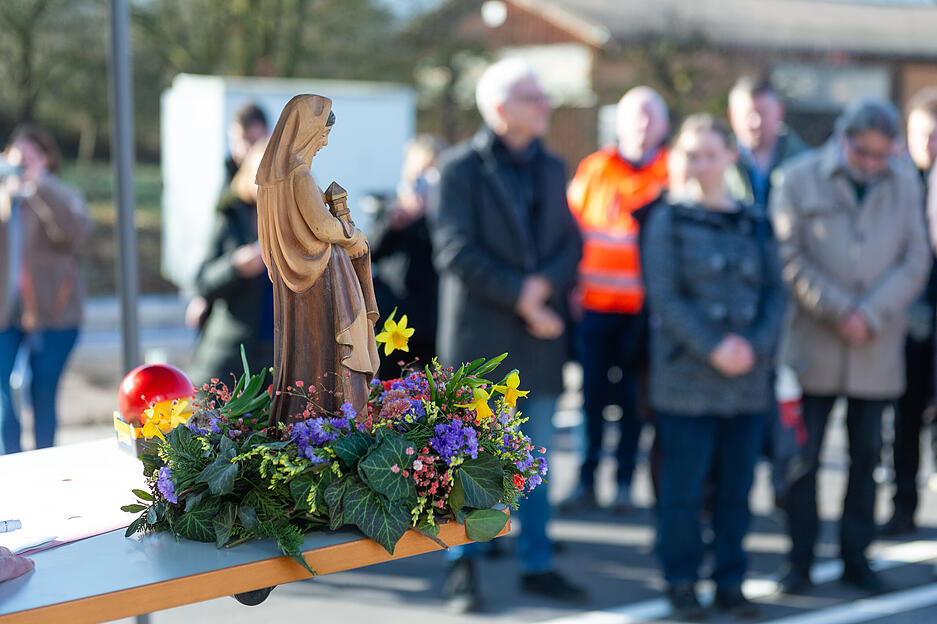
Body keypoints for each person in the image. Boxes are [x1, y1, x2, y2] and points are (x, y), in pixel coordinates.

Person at [429, 58, 584, 611]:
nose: (545, 104)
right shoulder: (458, 169)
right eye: (532, 96)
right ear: (500, 108)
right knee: (468, 462)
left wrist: (541, 288)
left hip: (539, 337)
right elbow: (454, 251)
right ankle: (461, 566)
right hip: (482, 343)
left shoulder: (552, 166)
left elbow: (571, 244)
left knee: (536, 457)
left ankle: (536, 562)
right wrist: (524, 295)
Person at [772, 98, 932, 594]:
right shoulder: (798, 179)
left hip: (876, 344)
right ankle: (799, 561)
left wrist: (873, 311)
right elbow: (788, 254)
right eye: (863, 153)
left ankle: (855, 558)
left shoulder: (904, 183)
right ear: (844, 139)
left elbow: (916, 258)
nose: (871, 164)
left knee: (865, 457)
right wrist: (840, 307)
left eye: (881, 156)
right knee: (805, 459)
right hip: (816, 341)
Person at [642, 114, 785, 620]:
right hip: (687, 380)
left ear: (729, 156)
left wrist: (753, 346)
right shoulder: (668, 219)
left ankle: (731, 580)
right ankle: (682, 581)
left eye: (708, 154)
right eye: (690, 154)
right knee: (682, 489)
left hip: (746, 381)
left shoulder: (755, 219)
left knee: (737, 489)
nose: (699, 164)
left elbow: (775, 293)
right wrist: (714, 347)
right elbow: (665, 297)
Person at [562, 86, 669, 512]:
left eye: (650, 116)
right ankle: (587, 480)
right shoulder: (595, 168)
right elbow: (571, 231)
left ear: (663, 124)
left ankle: (625, 481)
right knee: (590, 399)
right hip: (594, 307)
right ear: (619, 122)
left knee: (632, 403)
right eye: (635, 115)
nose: (642, 124)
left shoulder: (670, 172)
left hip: (643, 314)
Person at [255, 94, 378, 424]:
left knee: (304, 355)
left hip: (293, 280)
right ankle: (340, 418)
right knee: (335, 354)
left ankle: (301, 417)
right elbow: (323, 226)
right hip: (324, 276)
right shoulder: (301, 177)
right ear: (306, 132)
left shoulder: (272, 184)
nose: (324, 142)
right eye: (323, 132)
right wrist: (353, 234)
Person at [0, 124, 90, 454]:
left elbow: (74, 234)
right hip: (5, 318)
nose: (23, 163)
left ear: (48, 159)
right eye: (17, 156)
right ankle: (8, 467)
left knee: (43, 392)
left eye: (32, 156)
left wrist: (39, 188)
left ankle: (44, 460)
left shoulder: (63, 195)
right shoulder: (3, 197)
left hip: (55, 317)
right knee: (3, 396)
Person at [882, 87, 937, 537]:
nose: (929, 145)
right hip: (906, 323)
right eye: (923, 134)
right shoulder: (895, 183)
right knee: (903, 422)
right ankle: (902, 508)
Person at [188, 141, 274, 386]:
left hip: (281, 357)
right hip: (230, 354)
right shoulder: (231, 215)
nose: (268, 185)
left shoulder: (298, 222)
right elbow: (202, 281)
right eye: (261, 175)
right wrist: (234, 266)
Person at [186, 102, 271, 332]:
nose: (244, 150)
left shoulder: (295, 196)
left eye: (252, 142)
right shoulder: (229, 201)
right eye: (238, 141)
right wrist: (235, 266)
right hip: (236, 327)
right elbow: (204, 276)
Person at [369, 134, 446, 378]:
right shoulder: (392, 208)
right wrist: (393, 222)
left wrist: (431, 213)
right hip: (394, 319)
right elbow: (368, 253)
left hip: (434, 319)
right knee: (388, 391)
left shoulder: (449, 213)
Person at [727, 75, 808, 210]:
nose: (756, 123)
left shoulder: (805, 163)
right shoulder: (713, 162)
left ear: (780, 111)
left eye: (763, 113)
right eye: (748, 114)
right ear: (731, 115)